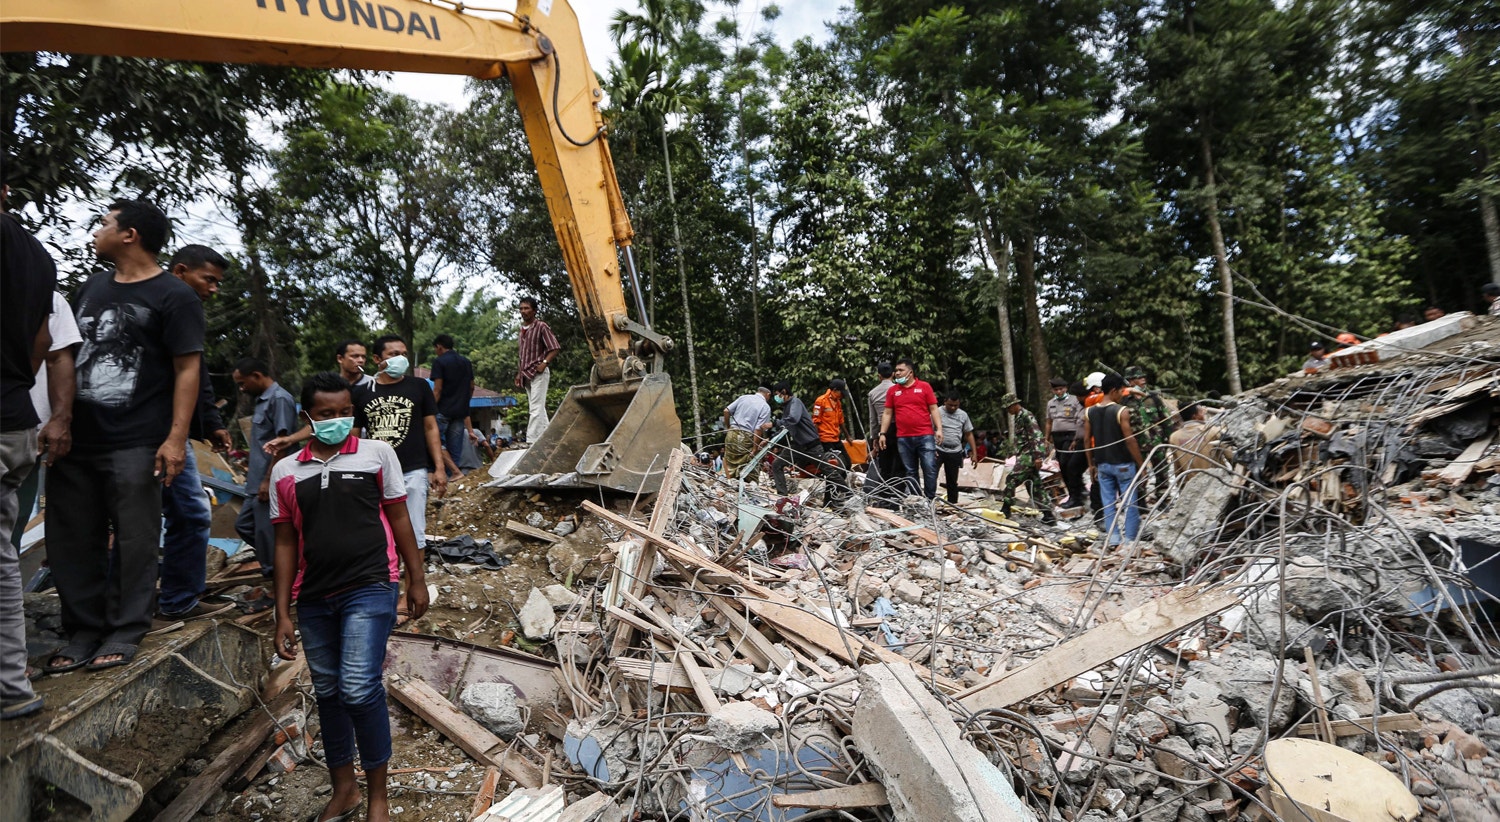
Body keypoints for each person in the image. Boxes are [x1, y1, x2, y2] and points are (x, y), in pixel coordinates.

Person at [45, 198, 204, 674]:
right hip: (77, 437)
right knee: (72, 538)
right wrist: (59, 417)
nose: (97, 231)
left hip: (137, 439)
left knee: (136, 539)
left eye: (105, 224)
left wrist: (175, 439)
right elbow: (63, 353)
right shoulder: (91, 288)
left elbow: (188, 368)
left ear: (130, 234)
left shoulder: (175, 295)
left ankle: (126, 628)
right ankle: (83, 629)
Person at [270, 372, 428, 822]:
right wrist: (282, 612)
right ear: (308, 417)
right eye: (326, 414)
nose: (338, 420)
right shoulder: (286, 471)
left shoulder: (377, 454)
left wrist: (416, 579)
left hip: (372, 584)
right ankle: (345, 789)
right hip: (314, 596)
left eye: (344, 412)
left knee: (358, 688)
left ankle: (378, 796)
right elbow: (285, 542)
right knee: (328, 692)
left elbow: (400, 518)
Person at [2, 180, 66, 718]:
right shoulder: (36, 255)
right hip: (14, 417)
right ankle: (11, 686)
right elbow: (43, 342)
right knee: (4, 554)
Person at [158, 245, 235, 621]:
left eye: (217, 282)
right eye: (208, 279)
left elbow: (197, 375)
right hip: (152, 432)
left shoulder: (186, 311)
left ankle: (175, 599)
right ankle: (169, 601)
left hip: (173, 433)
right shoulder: (160, 305)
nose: (214, 289)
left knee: (187, 514)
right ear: (180, 272)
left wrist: (212, 422)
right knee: (184, 514)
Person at [232, 358, 297, 579]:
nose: (242, 389)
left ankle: (276, 580)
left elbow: (282, 443)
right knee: (245, 526)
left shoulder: (279, 399)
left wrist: (269, 480)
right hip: (256, 481)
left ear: (257, 376)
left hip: (269, 481)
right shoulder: (262, 401)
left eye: (243, 383)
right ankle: (283, 562)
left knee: (265, 532)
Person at [1083, 375, 1144, 547]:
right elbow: (1130, 440)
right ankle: (1130, 539)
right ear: (1113, 390)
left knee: (1108, 503)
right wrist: (1141, 464)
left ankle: (1114, 539)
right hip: (1123, 463)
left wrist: (1091, 464)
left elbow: (1086, 440)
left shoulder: (1089, 412)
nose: (1122, 395)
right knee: (1130, 503)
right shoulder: (1121, 411)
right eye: (1120, 391)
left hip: (1102, 464)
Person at [769, 382, 844, 504]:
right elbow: (786, 428)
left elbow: (793, 419)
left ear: (784, 392)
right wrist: (770, 440)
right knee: (777, 464)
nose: (776, 397)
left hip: (811, 446)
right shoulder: (786, 407)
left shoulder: (795, 403)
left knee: (828, 471)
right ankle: (782, 497)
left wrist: (774, 423)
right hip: (797, 446)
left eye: (777, 394)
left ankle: (849, 494)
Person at [879, 359, 943, 500]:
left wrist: (939, 429)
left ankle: (930, 499)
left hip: (925, 435)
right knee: (910, 471)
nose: (897, 373)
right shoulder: (893, 391)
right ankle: (917, 500)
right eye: (896, 370)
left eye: (901, 370)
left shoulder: (924, 387)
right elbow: (887, 413)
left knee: (929, 468)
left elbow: (933, 409)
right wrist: (882, 433)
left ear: (910, 372)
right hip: (903, 437)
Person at [1121, 366, 1174, 505]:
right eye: (1138, 377)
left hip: (1156, 442)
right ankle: (1140, 502)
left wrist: (1169, 440)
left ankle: (1163, 499)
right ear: (1130, 381)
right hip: (1137, 445)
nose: (1143, 379)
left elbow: (1166, 420)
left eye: (1143, 376)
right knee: (1139, 473)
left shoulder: (1153, 398)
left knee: (1162, 471)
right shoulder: (1124, 401)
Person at [998, 393, 1054, 524]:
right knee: (1035, 485)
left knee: (1012, 479)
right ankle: (1048, 515)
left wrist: (1038, 457)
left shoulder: (1026, 416)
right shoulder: (1019, 417)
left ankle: (1006, 509)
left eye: (1008, 407)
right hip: (1025, 455)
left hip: (1028, 457)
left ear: (1014, 405)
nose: (1008, 411)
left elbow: (1036, 436)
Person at [515, 297, 560, 442]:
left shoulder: (541, 326)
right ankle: (548, 438)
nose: (523, 311)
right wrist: (519, 373)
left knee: (535, 408)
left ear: (534, 311)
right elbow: (522, 355)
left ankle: (531, 440)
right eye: (521, 308)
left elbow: (554, 347)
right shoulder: (522, 330)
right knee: (538, 408)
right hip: (526, 373)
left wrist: (545, 363)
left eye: (526, 308)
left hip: (538, 372)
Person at [430, 333, 474, 471]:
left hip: (442, 410)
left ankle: (450, 472)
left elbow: (438, 389)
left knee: (436, 443)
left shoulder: (439, 362)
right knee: (455, 449)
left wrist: (429, 409)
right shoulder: (466, 362)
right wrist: (464, 401)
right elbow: (471, 386)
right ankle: (453, 477)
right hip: (460, 411)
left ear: (439, 346)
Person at [1043, 377, 1085, 508]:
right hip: (1057, 437)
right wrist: (1046, 438)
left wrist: (1076, 438)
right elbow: (1049, 422)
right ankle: (1075, 493)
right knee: (1062, 466)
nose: (1059, 392)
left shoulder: (1074, 400)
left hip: (1070, 435)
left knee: (1068, 464)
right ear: (1052, 390)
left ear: (1066, 388)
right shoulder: (1051, 403)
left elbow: (1079, 419)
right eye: (1056, 389)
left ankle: (1076, 494)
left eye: (1061, 389)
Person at [865, 362, 899, 504]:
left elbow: (873, 419)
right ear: (893, 374)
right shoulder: (898, 390)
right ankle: (898, 495)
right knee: (899, 463)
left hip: (883, 431)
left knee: (885, 464)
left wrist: (875, 438)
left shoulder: (873, 393)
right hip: (899, 428)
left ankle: (885, 497)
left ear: (879, 376)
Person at [721, 386, 772, 480]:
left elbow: (726, 411)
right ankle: (748, 485)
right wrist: (754, 449)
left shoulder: (743, 398)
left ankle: (725, 481)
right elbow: (758, 429)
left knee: (729, 463)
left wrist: (728, 427)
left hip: (732, 432)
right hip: (746, 437)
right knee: (749, 466)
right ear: (768, 394)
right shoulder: (765, 406)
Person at [936, 392, 977, 505]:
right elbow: (928, 430)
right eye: (950, 405)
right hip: (938, 449)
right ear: (945, 402)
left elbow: (969, 433)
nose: (953, 408)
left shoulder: (963, 415)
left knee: (952, 480)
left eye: (956, 405)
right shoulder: (937, 412)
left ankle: (952, 504)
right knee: (932, 476)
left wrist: (974, 453)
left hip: (955, 451)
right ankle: (929, 500)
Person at [811, 379, 850, 485]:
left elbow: (841, 421)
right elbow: (815, 422)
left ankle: (838, 487)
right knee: (833, 467)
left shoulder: (838, 402)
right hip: (825, 439)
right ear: (835, 390)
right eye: (841, 392)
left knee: (847, 464)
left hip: (836, 438)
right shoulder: (821, 401)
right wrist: (816, 441)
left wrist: (847, 436)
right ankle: (833, 490)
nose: (842, 395)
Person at [1168, 401, 1222, 478]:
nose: (1204, 413)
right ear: (1194, 416)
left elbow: (1177, 467)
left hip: (1191, 482)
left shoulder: (1174, 437)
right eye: (1201, 412)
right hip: (1216, 479)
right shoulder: (1213, 431)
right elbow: (1230, 456)